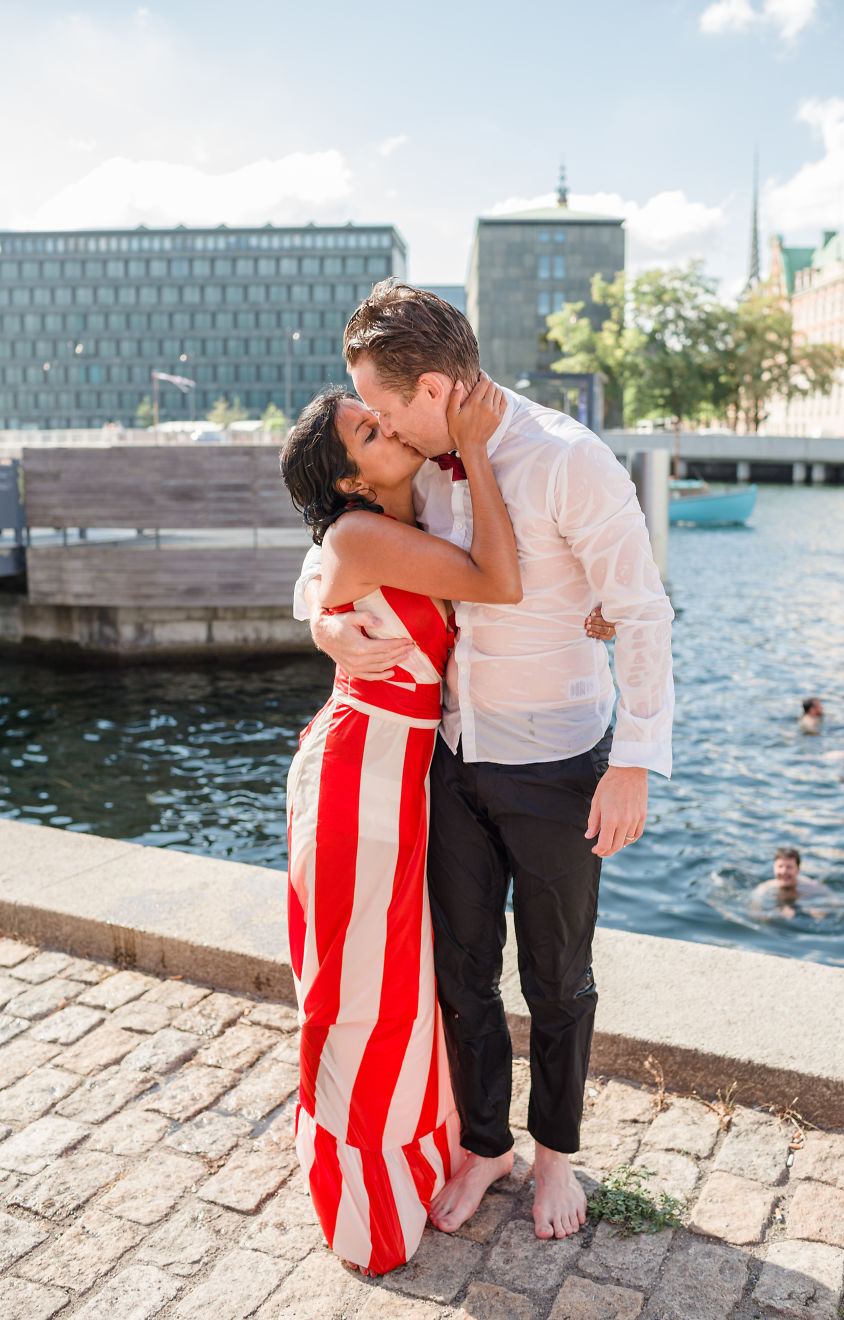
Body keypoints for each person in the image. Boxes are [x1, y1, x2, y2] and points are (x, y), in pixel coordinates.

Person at [294, 281, 674, 1242]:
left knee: (558, 978)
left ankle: (557, 1157)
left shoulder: (570, 459)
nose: (380, 427)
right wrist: (321, 623)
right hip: (452, 758)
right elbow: (339, 540)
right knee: (462, 971)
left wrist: (634, 760)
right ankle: (485, 1145)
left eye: (380, 409)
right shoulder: (419, 464)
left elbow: (640, 610)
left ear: (430, 389)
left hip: (559, 762)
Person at [280, 375, 521, 1275]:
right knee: (361, 992)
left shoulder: (405, 512)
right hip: (361, 778)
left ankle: (413, 1152)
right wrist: (479, 448)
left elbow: (318, 578)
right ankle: (363, 1195)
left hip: (401, 776)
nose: (388, 425)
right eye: (369, 431)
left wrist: (320, 617)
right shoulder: (360, 531)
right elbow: (495, 580)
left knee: (400, 984)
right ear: (350, 479)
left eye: (377, 414)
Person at [751, 847, 833, 919]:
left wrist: (820, 911)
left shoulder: (809, 886)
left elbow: (832, 900)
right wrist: (777, 914)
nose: (784, 871)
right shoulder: (764, 889)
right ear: (774, 868)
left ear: (798, 870)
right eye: (780, 867)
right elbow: (755, 914)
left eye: (789, 867)